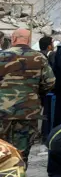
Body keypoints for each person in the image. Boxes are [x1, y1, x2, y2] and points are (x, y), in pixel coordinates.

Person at [0, 28, 55, 166]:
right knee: (21, 151)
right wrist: (35, 93)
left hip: (2, 111)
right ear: (29, 40)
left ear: (13, 39)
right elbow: (50, 82)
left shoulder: (1, 56)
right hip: (28, 112)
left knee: (2, 150)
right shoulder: (39, 58)